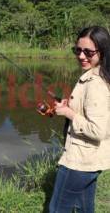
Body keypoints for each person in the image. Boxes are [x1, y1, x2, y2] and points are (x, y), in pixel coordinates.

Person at [49, 26, 110, 212]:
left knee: (57, 208)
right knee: (85, 207)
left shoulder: (96, 85)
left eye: (88, 52)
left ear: (103, 52)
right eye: (78, 50)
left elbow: (97, 130)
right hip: (92, 160)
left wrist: (69, 113)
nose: (82, 56)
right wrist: (70, 107)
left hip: (80, 162)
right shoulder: (97, 75)